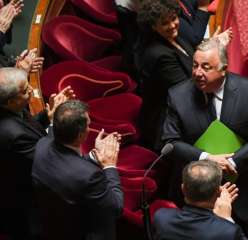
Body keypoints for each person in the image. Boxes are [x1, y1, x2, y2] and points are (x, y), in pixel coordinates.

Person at [162, 38, 248, 233]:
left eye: (206, 67)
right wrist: (207, 159)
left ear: (224, 68)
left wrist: (232, 162)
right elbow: (170, 142)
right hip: (195, 192)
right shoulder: (177, 96)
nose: (197, 73)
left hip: (239, 185)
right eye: (195, 65)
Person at [135, 0, 231, 151]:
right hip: (168, 117)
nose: (173, 25)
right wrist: (216, 54)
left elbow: (192, 56)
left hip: (185, 101)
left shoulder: (173, 37)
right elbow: (187, 88)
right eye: (165, 23)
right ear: (153, 27)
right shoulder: (158, 54)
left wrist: (213, 44)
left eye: (174, 18)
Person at [32, 100, 124, 240]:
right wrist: (109, 165)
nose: (89, 126)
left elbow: (68, 166)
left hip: (52, 225)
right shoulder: (91, 176)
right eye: (88, 124)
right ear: (81, 135)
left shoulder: (41, 144)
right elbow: (116, 208)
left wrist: (95, 155)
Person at [0, 67, 73, 239]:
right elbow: (47, 158)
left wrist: (47, 116)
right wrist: (56, 122)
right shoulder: (11, 133)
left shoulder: (13, 107)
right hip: (23, 203)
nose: (31, 90)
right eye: (26, 90)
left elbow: (27, 124)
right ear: (10, 101)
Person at [154, 160, 247, 240]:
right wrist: (226, 219)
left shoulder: (161, 218)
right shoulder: (228, 231)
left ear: (183, 188)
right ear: (219, 192)